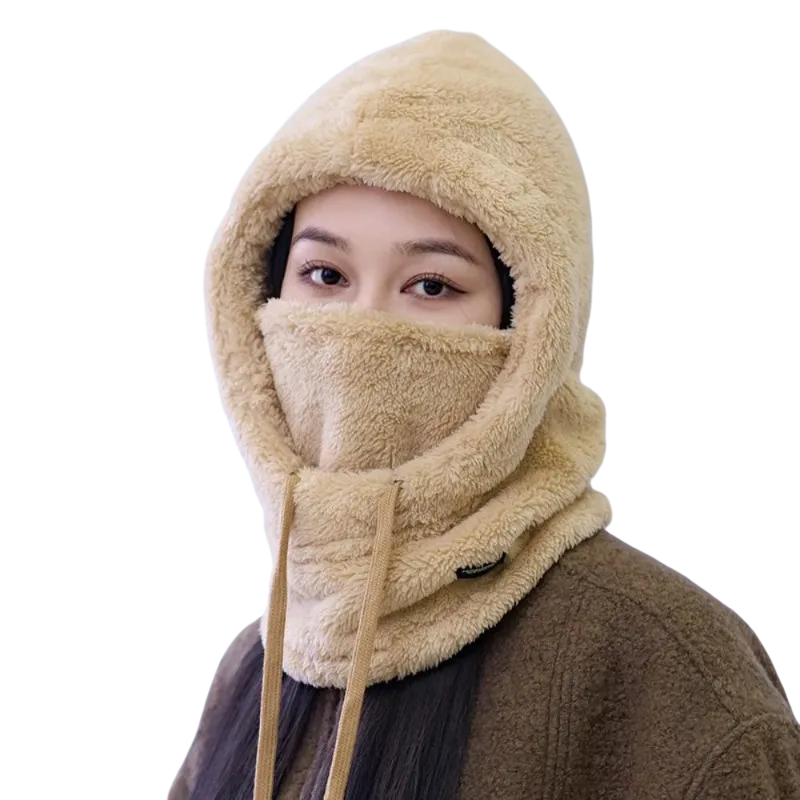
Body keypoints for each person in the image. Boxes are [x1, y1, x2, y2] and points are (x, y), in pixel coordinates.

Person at [169, 30, 800, 800]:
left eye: (431, 285)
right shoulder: (257, 670)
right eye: (325, 274)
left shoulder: (667, 671)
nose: (363, 328)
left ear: (529, 327)